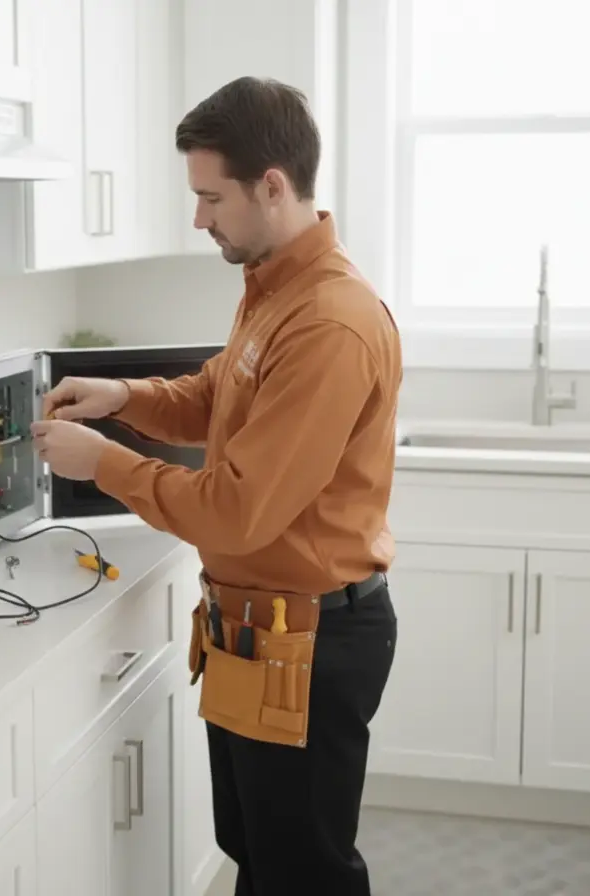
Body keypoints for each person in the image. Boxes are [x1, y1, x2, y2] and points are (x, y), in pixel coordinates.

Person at [30, 76, 402, 896]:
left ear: (271, 186)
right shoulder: (274, 290)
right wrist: (125, 399)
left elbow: (236, 510)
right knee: (257, 852)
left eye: (210, 197)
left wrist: (104, 464)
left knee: (304, 874)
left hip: (308, 643)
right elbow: (213, 396)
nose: (199, 219)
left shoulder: (329, 323)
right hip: (256, 637)